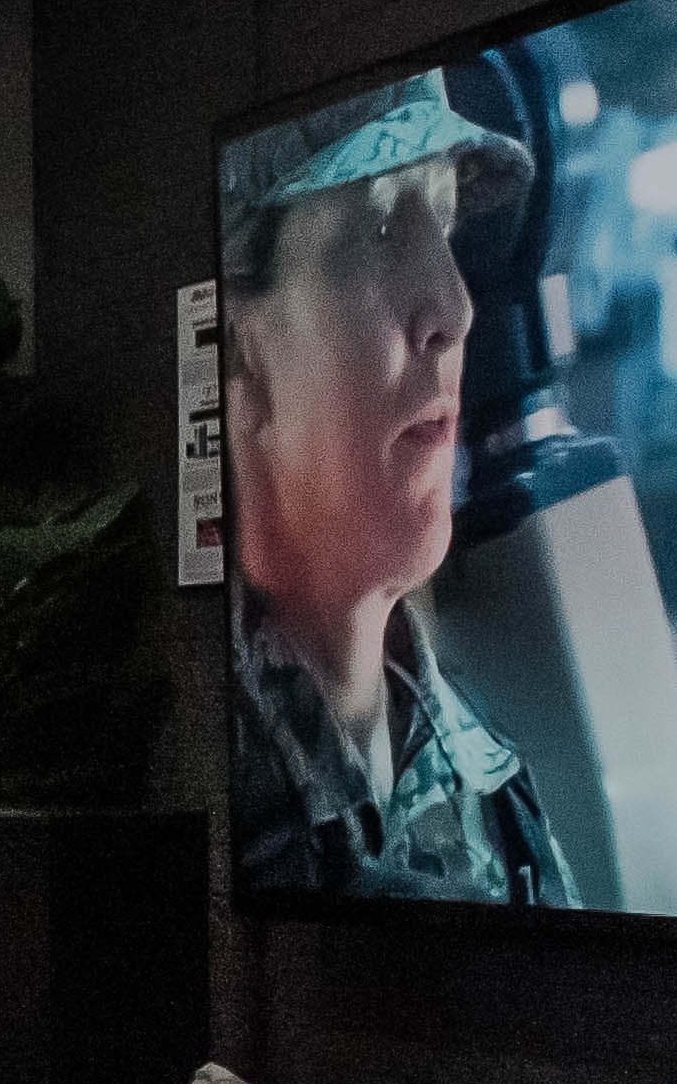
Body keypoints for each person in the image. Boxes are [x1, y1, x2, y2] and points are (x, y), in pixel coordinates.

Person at [220, 69, 574, 905]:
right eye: (378, 227)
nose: (454, 307)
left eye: (442, 221)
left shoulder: (498, 799)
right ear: (236, 351)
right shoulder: (200, 781)